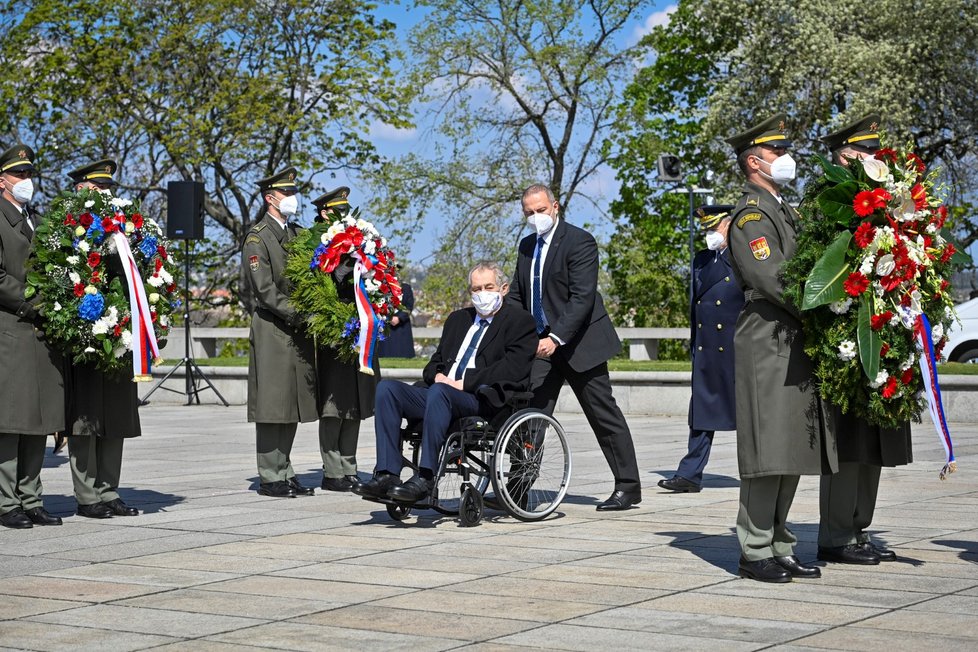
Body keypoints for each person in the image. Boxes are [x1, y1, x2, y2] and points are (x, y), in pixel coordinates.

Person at [725, 114, 837, 582]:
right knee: (766, 449)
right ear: (755, 161)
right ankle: (754, 550)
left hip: (792, 337)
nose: (785, 158)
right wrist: (827, 302)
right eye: (776, 152)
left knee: (789, 447)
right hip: (768, 338)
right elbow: (772, 278)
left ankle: (780, 543)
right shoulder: (752, 214)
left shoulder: (782, 207)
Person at [354, 262, 537, 506]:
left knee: (441, 392)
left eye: (488, 287)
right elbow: (434, 363)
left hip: (479, 398)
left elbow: (512, 368)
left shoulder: (519, 321)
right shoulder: (458, 320)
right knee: (387, 389)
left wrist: (463, 382)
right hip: (440, 392)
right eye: (476, 289)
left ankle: (426, 477)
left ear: (503, 288)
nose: (482, 294)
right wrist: (437, 376)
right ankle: (387, 474)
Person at [508, 184, 642, 511]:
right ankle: (516, 488)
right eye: (529, 212)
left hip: (580, 343)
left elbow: (582, 298)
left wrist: (556, 338)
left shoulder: (580, 241)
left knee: (603, 415)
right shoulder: (527, 246)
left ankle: (628, 486)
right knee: (530, 415)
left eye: (540, 210)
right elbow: (518, 294)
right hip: (541, 346)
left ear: (555, 207)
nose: (535, 217)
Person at [815, 114, 911, 564]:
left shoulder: (891, 199)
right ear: (844, 155)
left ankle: (858, 528)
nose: (874, 158)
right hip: (847, 336)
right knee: (850, 442)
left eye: (876, 150)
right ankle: (836, 534)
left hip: (886, 329)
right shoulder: (828, 200)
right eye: (864, 151)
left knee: (875, 441)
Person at [64, 159, 142, 518]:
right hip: (86, 332)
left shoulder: (123, 227)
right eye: (98, 187)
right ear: (81, 188)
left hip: (121, 330)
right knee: (87, 416)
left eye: (108, 187)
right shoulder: (68, 226)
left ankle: (109, 490)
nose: (105, 193)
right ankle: (87, 495)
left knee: (116, 413)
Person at [0, 144, 66, 529]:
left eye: (30, 175)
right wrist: (33, 301)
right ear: (3, 179)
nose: (27, 182)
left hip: (41, 334)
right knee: (10, 420)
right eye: (20, 175)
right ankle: (7, 501)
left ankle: (32, 497)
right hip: (11, 328)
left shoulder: (37, 219)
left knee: (38, 419)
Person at [243, 167, 318, 498]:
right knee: (273, 404)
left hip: (296, 328)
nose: (293, 199)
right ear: (270, 198)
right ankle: (270, 474)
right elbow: (265, 290)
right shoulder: (258, 238)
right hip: (273, 327)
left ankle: (284, 469)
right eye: (286, 194)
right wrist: (298, 313)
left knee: (290, 403)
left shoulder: (297, 236)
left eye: (293, 193)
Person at [659, 205, 743, 493]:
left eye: (714, 228)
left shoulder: (743, 259)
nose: (709, 234)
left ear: (729, 227)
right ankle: (690, 474)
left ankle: (758, 471)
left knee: (747, 413)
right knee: (701, 414)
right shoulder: (701, 260)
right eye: (706, 229)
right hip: (707, 350)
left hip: (735, 349)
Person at [310, 187, 378, 492]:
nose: (344, 214)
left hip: (360, 329)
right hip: (334, 332)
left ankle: (349, 467)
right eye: (338, 209)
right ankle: (332, 469)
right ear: (325, 213)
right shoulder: (314, 240)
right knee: (335, 403)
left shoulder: (361, 240)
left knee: (356, 402)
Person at [378, 282, 415, 358]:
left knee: (403, 352)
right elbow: (378, 304)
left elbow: (409, 307)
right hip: (385, 323)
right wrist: (388, 317)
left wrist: (400, 317)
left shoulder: (406, 288)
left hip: (402, 325)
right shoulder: (381, 286)